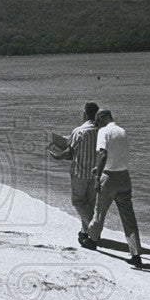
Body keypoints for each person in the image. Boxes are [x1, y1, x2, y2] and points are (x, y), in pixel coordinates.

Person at [81, 109, 143, 268]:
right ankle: (135, 254)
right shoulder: (122, 131)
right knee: (128, 217)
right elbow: (118, 155)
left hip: (109, 178)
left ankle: (92, 241)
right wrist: (99, 168)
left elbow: (103, 154)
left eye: (97, 121)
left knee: (99, 211)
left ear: (103, 118)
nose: (97, 124)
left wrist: (97, 176)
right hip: (124, 176)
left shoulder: (104, 131)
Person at [51, 101, 100, 242]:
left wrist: (56, 155)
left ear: (85, 114)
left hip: (80, 172)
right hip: (96, 173)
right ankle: (85, 232)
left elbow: (69, 152)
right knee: (89, 204)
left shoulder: (79, 131)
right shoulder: (101, 131)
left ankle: (93, 228)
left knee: (78, 202)